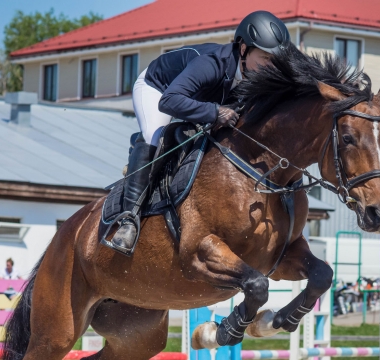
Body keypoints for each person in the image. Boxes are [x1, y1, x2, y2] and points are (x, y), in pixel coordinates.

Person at [108, 11, 290, 255]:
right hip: (159, 89)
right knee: (155, 136)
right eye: (265, 57)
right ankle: (128, 219)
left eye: (274, 60)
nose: (270, 66)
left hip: (197, 100)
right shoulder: (212, 63)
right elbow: (170, 101)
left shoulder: (254, 75)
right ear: (244, 48)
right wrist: (215, 112)